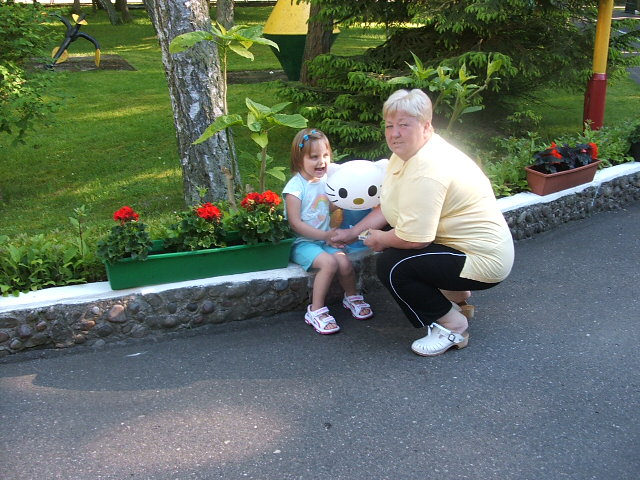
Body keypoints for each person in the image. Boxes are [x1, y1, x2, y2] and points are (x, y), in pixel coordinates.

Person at [331, 89, 514, 356]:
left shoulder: (428, 168)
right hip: (466, 248)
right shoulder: (407, 153)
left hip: (483, 261)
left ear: (426, 125)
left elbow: (415, 240)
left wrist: (380, 239)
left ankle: (453, 326)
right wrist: (352, 233)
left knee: (392, 265)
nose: (394, 133)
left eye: (404, 125)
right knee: (395, 243)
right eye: (389, 125)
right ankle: (458, 298)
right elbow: (390, 208)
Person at [283, 128, 373, 335]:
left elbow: (328, 206)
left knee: (344, 262)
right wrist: (326, 236)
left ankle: (351, 297)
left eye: (325, 155)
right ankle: (315, 310)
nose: (321, 161)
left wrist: (348, 199)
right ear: (299, 159)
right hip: (302, 243)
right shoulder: (295, 188)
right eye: (314, 157)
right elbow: (295, 224)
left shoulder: (325, 182)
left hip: (324, 241)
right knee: (329, 263)